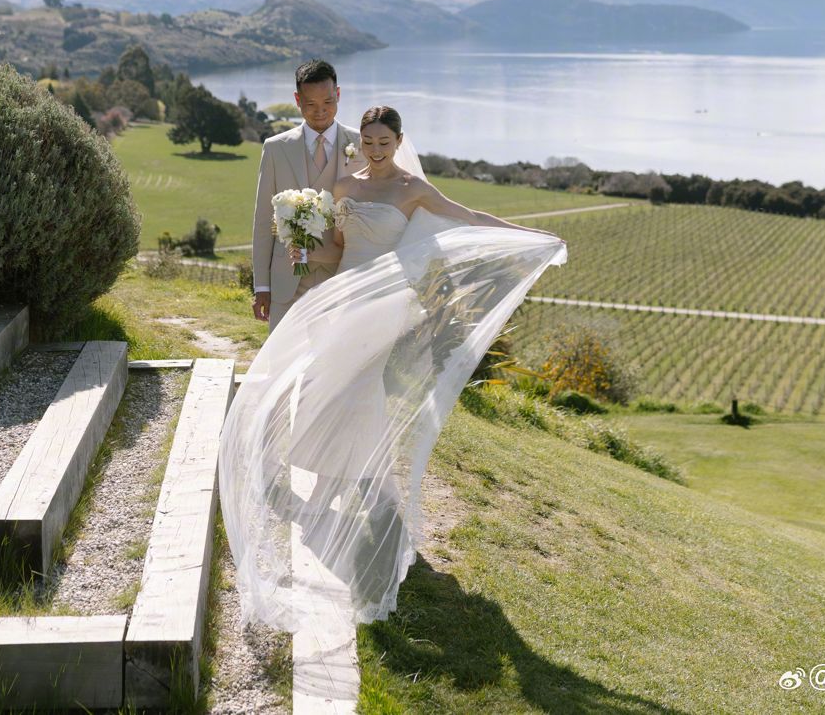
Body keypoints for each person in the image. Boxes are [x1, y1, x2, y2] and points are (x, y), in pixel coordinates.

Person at [219, 103, 567, 633]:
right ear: (360, 141)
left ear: (399, 142)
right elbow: (337, 252)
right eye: (369, 142)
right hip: (340, 295)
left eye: (385, 142)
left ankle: (371, 487)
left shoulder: (412, 190)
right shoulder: (343, 188)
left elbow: (469, 218)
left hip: (384, 305)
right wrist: (303, 248)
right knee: (322, 386)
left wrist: (530, 236)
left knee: (353, 386)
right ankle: (358, 478)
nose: (376, 151)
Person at [250, 59, 367, 332]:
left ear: (338, 94)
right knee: (282, 366)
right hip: (286, 280)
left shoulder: (362, 145)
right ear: (297, 100)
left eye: (327, 102)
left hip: (342, 278)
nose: (320, 112)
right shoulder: (275, 148)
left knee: (334, 366)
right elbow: (263, 221)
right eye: (310, 104)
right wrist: (262, 286)